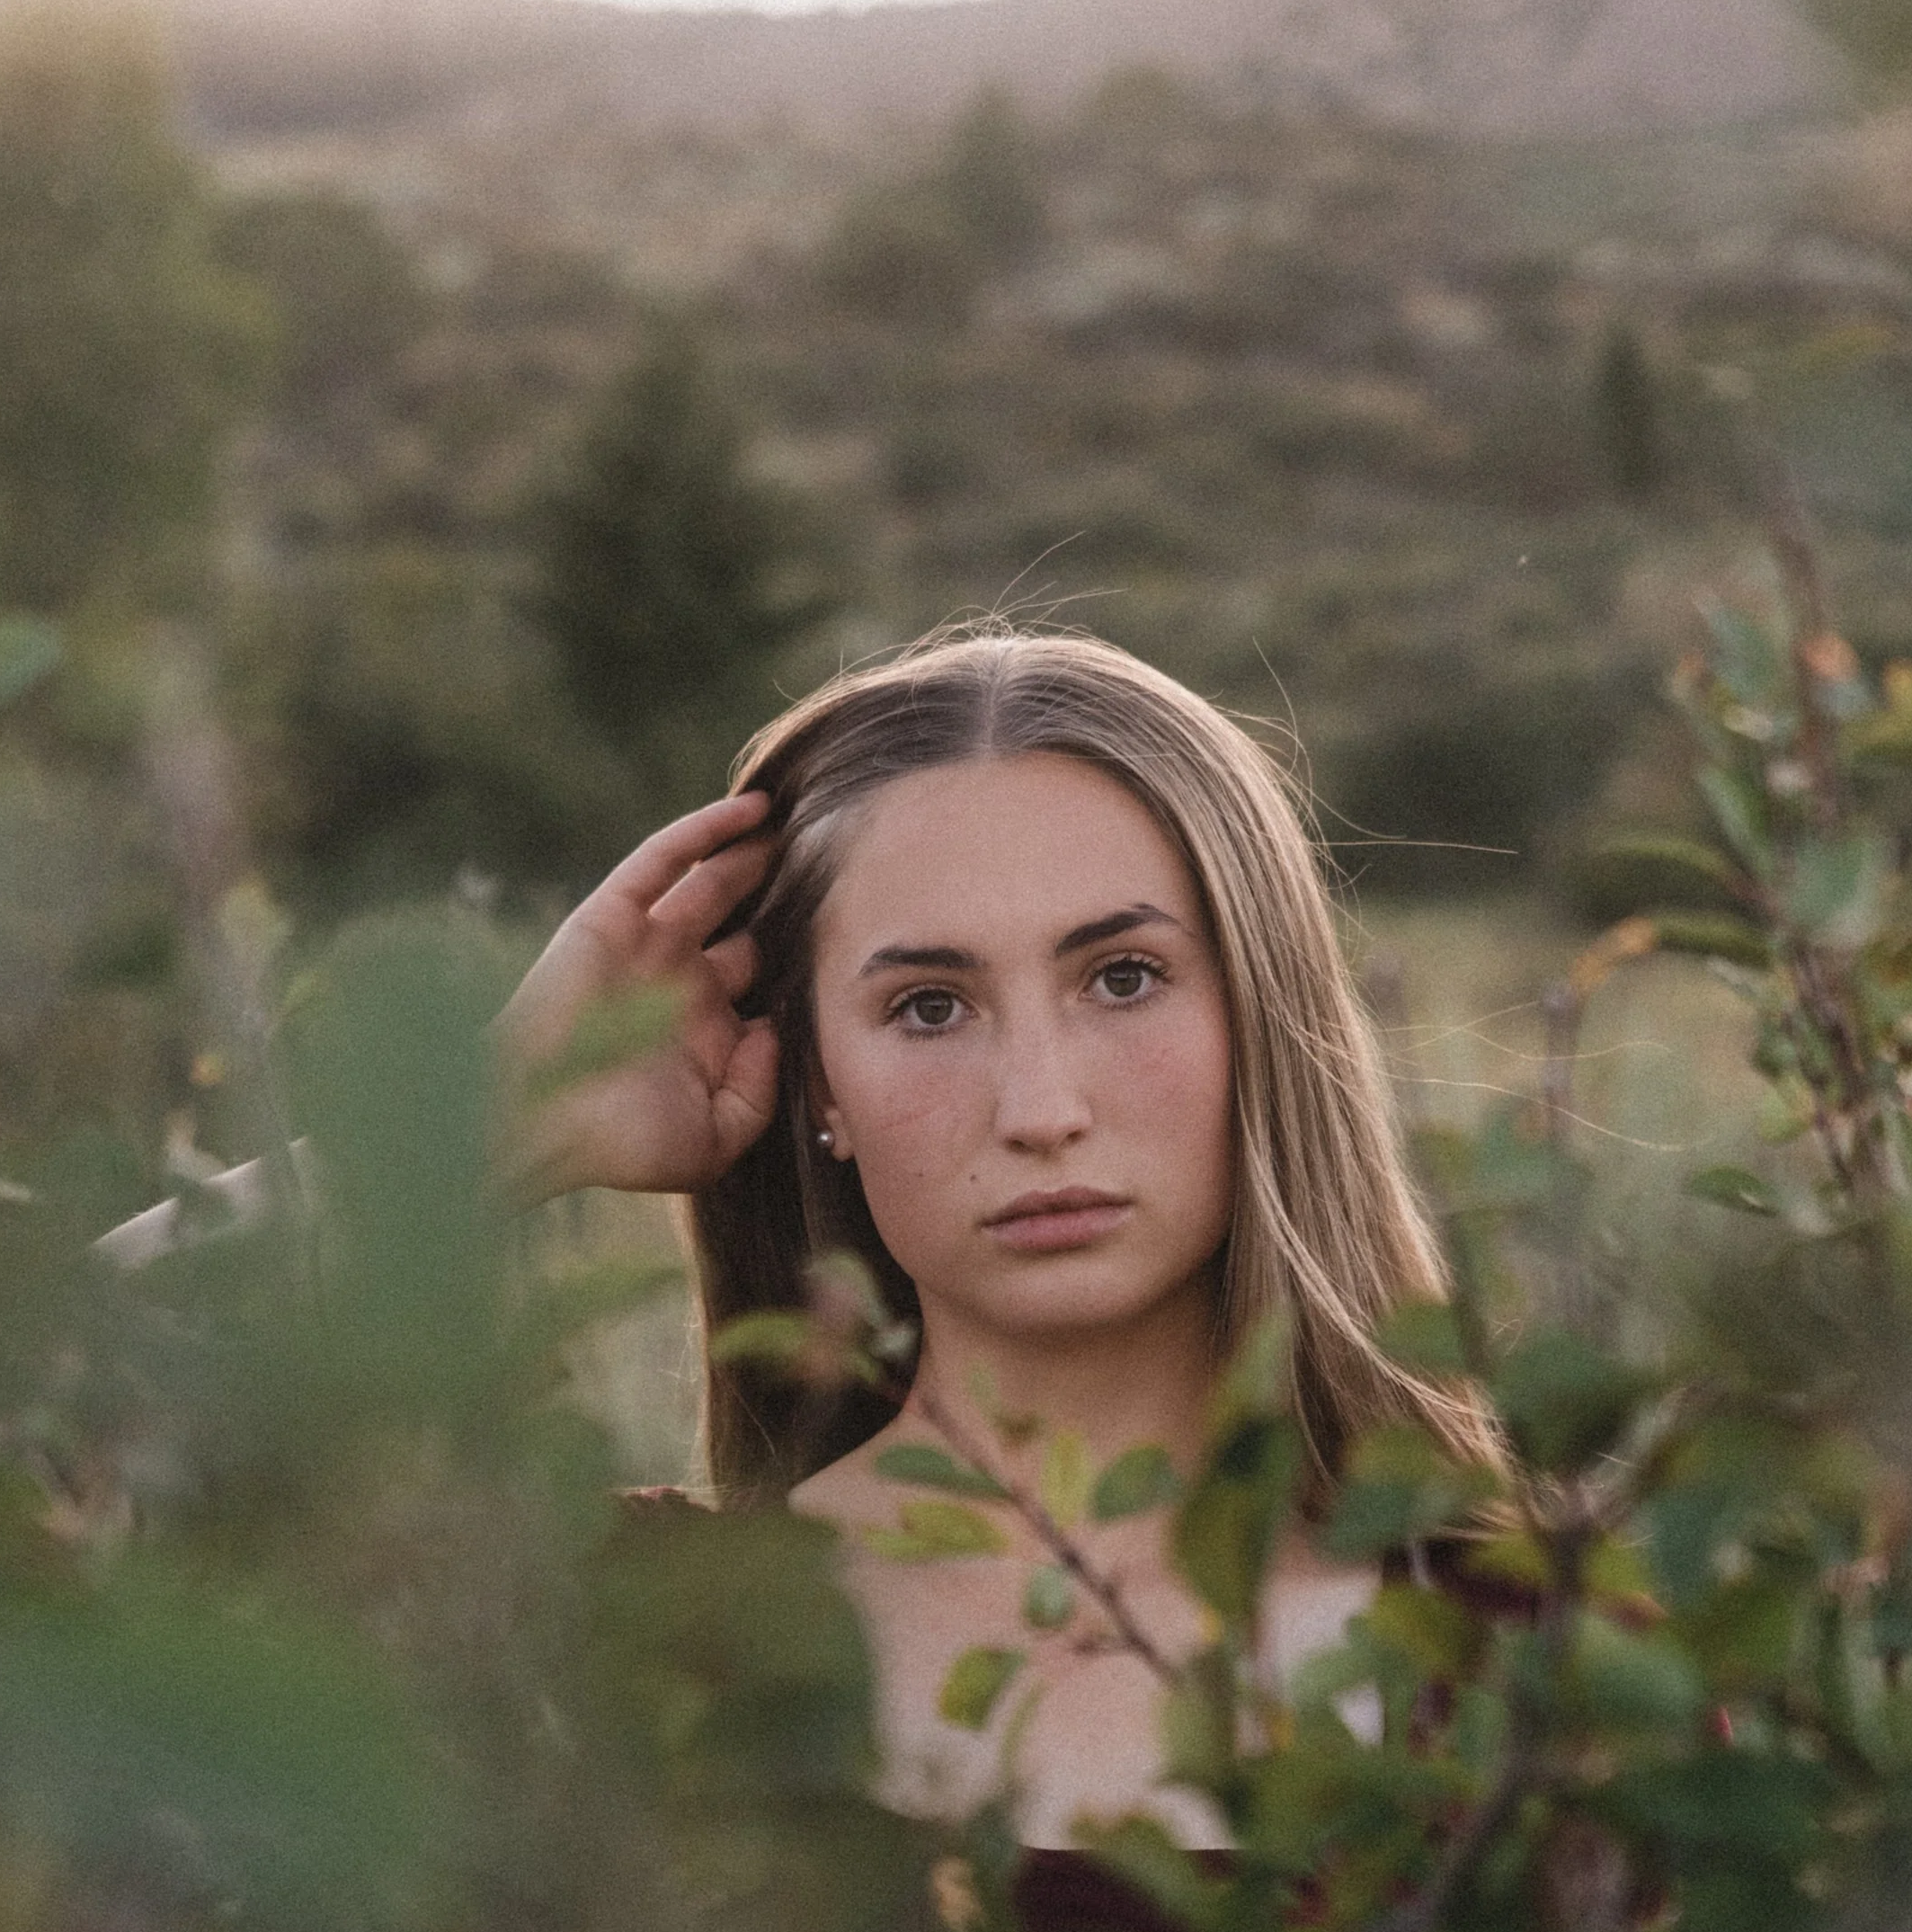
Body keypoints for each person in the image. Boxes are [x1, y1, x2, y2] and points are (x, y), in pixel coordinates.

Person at [497, 629, 1489, 1850]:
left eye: (1123, 978)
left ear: (1262, 1016)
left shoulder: (1542, 1668)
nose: (1040, 1111)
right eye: (929, 1007)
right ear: (820, 1084)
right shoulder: (626, 1641)